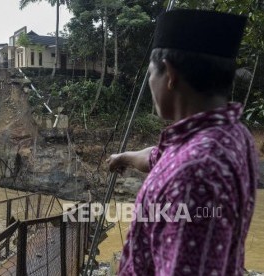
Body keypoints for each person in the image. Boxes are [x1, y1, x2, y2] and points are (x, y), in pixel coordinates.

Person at [107, 9, 258, 275]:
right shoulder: (232, 135)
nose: (151, 84)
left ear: (171, 74)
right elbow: (158, 156)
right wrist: (125, 158)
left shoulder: (194, 173)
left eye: (152, 73)